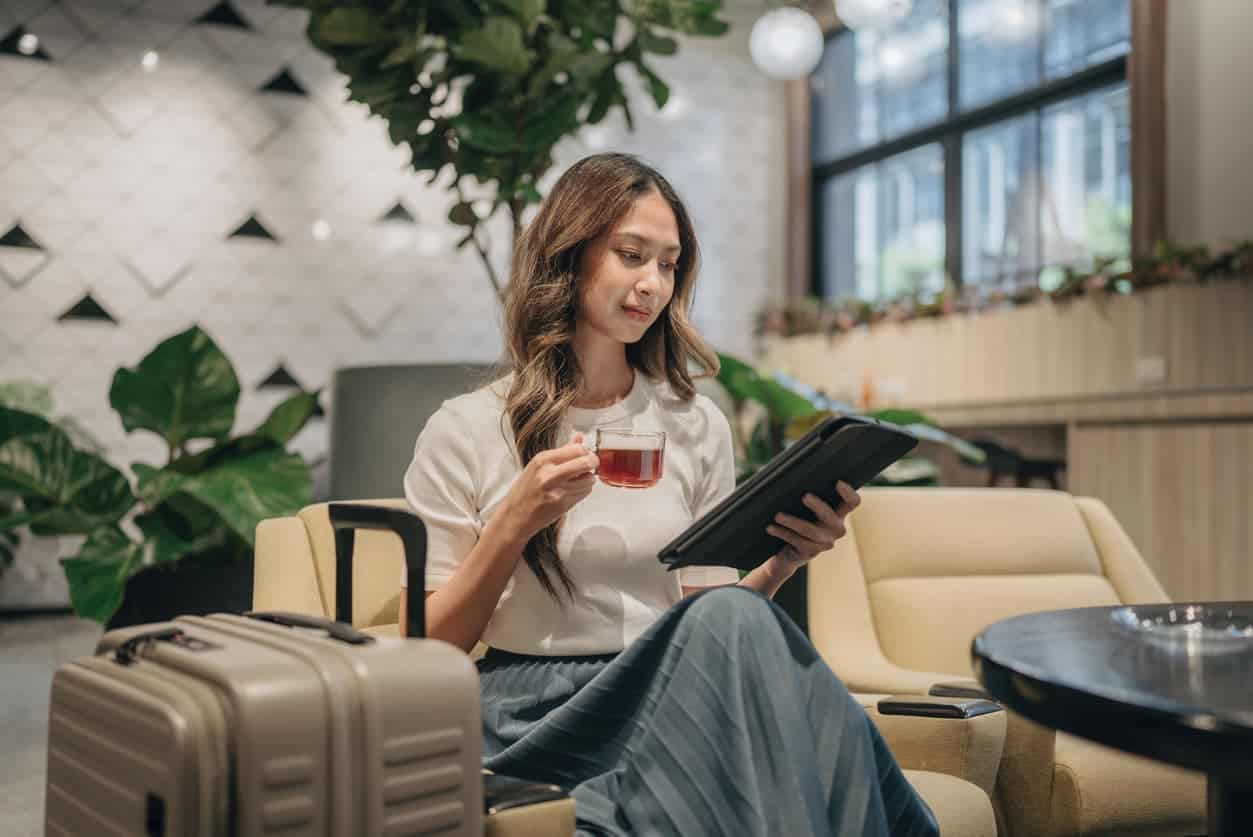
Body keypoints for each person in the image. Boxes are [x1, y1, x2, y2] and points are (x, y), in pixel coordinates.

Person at [400, 152, 938, 837]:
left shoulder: (693, 421)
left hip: (674, 692)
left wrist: (780, 564)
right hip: (535, 715)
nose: (651, 283)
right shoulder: (467, 427)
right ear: (569, 255)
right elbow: (428, 649)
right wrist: (513, 522)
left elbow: (710, 619)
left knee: (735, 619)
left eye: (668, 263)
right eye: (630, 255)